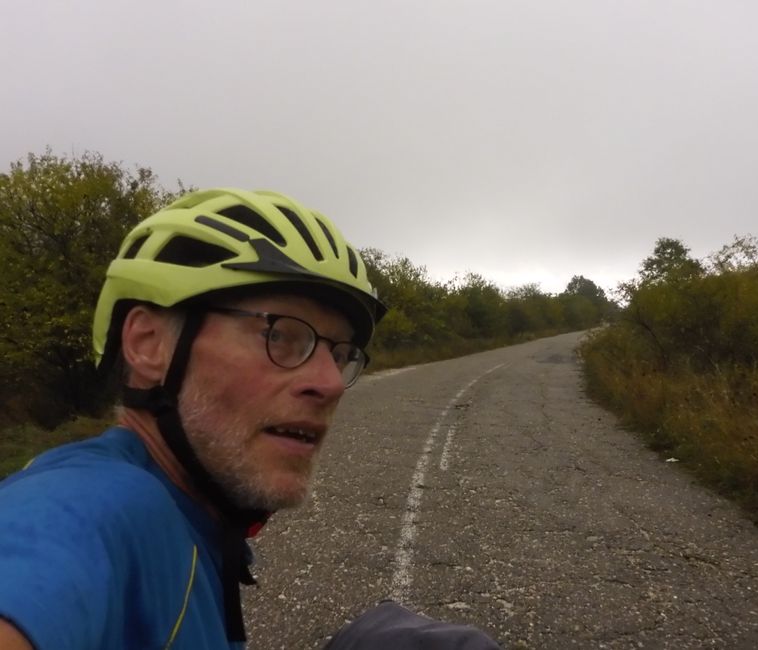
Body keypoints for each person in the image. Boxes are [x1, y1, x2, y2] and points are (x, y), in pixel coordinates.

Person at [0, 187, 498, 649]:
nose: (328, 382)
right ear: (148, 344)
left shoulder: (197, 519)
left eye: (341, 351)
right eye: (280, 334)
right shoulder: (97, 505)